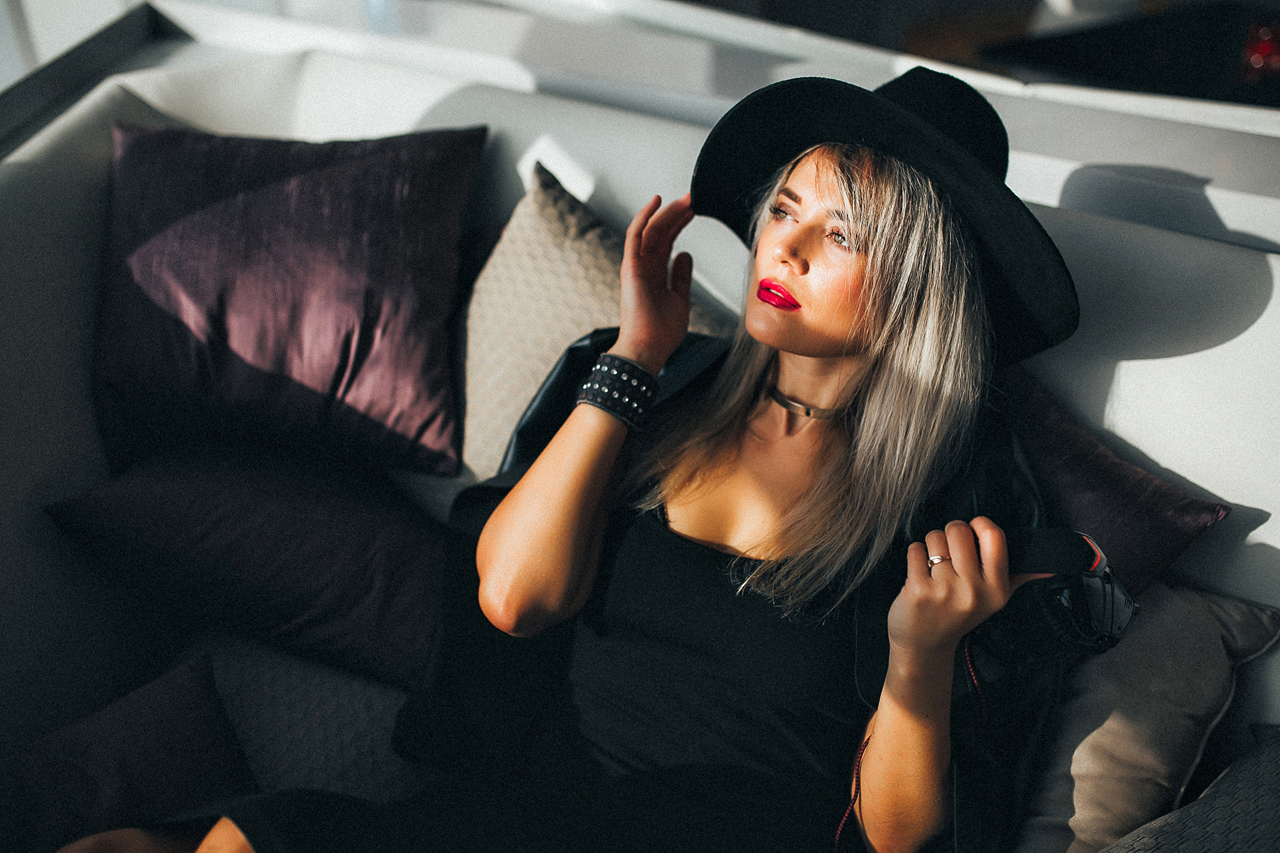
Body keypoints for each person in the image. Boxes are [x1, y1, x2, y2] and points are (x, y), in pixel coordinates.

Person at [59, 68, 1088, 853]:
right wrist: (632, 360)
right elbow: (513, 599)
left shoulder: (957, 500)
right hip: (529, 816)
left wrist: (916, 660)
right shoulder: (650, 390)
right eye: (784, 209)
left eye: (841, 234)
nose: (785, 247)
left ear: (915, 284)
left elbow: (900, 838)